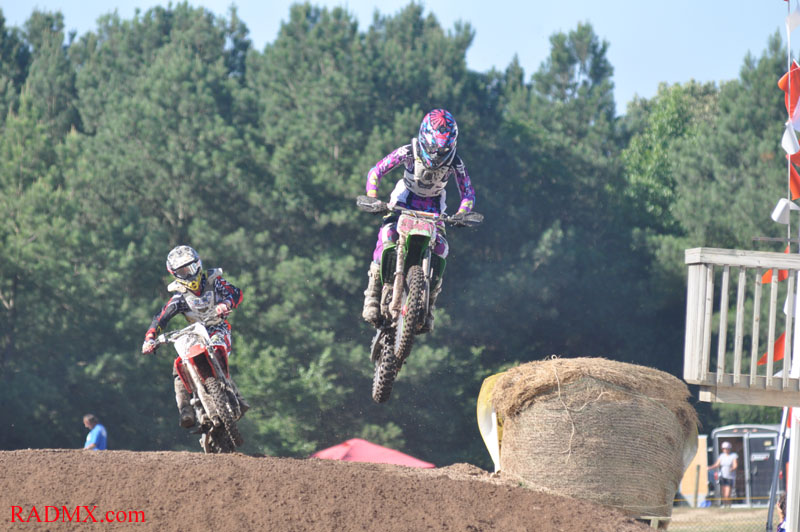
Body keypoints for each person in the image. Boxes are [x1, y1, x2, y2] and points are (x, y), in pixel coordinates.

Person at [361, 108, 476, 333]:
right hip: (403, 200)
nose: (436, 156)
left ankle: (430, 304)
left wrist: (462, 213)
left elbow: (468, 192)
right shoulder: (408, 151)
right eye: (433, 149)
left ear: (451, 145)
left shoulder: (456, 162)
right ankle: (372, 295)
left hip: (434, 208)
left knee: (442, 248)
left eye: (442, 151)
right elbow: (376, 171)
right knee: (387, 235)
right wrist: (373, 197)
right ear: (424, 139)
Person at [141, 245, 249, 428]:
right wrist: (150, 338)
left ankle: (233, 394)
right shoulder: (180, 297)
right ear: (175, 274)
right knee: (179, 364)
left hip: (217, 328)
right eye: (183, 271)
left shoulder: (214, 282)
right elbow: (161, 318)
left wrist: (226, 303)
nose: (189, 274)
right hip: (195, 333)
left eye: (191, 268)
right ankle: (186, 410)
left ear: (198, 265)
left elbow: (235, 293)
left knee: (216, 347)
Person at [708, 441, 738, 506]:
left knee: (727, 494)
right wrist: (709, 467)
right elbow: (717, 464)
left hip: (730, 477)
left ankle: (729, 505)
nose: (725, 450)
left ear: (729, 448)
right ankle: (725, 506)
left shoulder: (733, 456)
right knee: (723, 494)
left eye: (726, 448)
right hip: (722, 477)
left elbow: (735, 465)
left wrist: (732, 469)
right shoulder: (721, 456)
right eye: (724, 448)